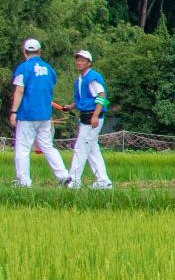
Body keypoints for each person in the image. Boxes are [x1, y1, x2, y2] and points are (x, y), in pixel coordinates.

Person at [10, 39, 68, 188]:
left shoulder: (23, 68)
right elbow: (50, 84)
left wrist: (13, 111)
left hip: (27, 114)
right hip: (45, 114)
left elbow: (19, 90)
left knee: (22, 148)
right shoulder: (49, 69)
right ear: (40, 52)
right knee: (47, 146)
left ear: (24, 52)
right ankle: (63, 176)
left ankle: (24, 182)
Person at [63, 48, 112, 190]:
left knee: (81, 148)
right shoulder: (80, 79)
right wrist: (71, 107)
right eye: (77, 60)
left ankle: (74, 181)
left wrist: (96, 115)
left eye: (82, 60)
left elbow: (101, 97)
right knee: (92, 150)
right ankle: (103, 181)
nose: (79, 62)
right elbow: (85, 99)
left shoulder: (92, 78)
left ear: (89, 63)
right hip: (86, 117)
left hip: (92, 118)